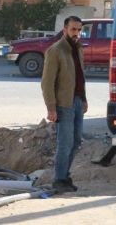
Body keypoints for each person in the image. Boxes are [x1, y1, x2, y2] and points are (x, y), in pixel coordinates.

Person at [41, 16, 87, 193]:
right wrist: (51, 108)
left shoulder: (78, 48)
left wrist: (84, 99)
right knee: (65, 143)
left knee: (76, 142)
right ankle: (59, 179)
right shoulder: (56, 50)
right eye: (73, 29)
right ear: (65, 29)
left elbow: (80, 78)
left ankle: (65, 176)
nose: (76, 33)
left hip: (77, 102)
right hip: (63, 104)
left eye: (79, 29)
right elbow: (47, 82)